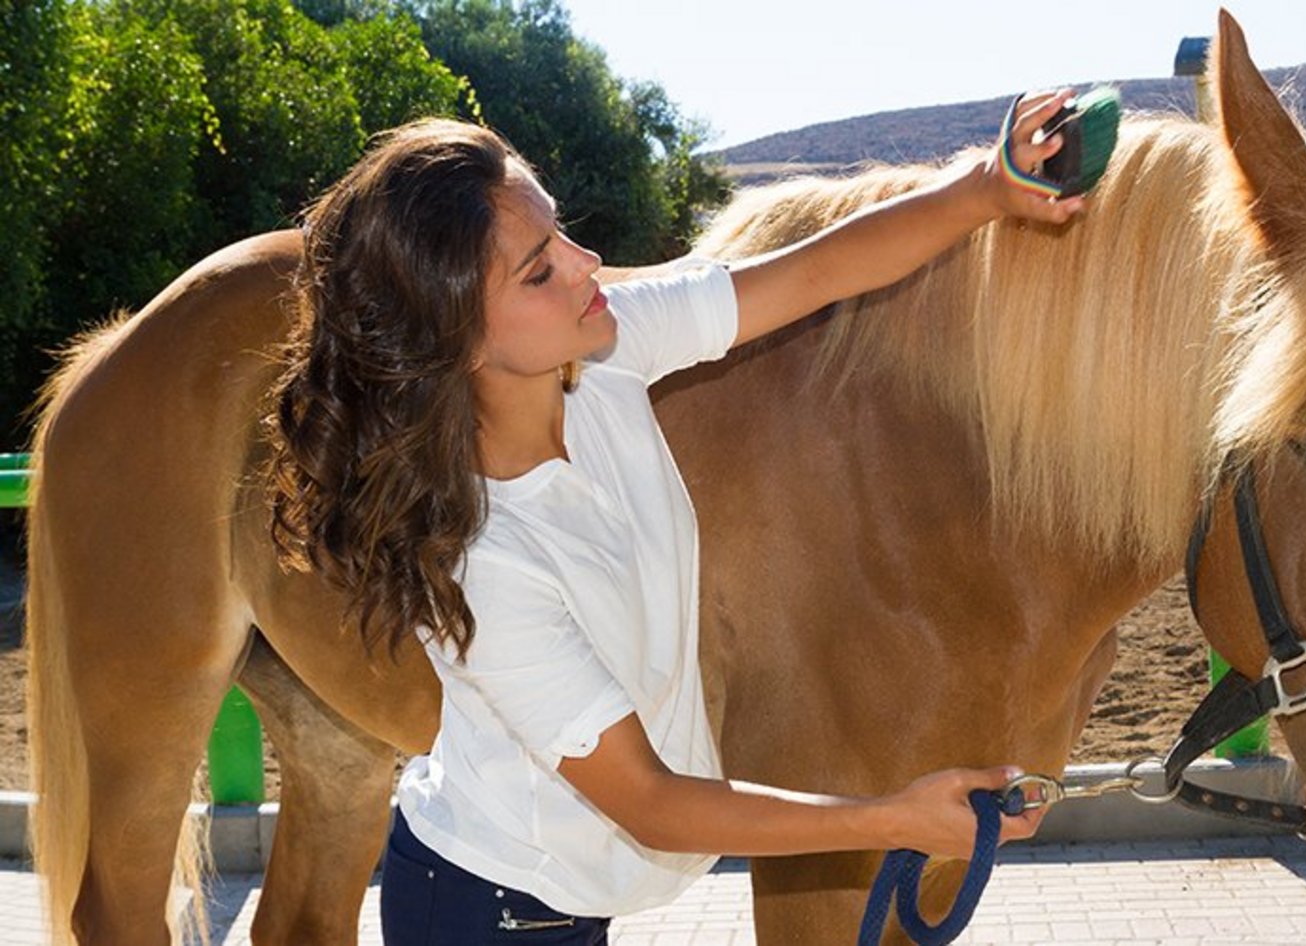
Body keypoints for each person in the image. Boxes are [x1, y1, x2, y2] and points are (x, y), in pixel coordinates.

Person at [264, 91, 1085, 944]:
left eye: (560, 231)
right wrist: (893, 818)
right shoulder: (487, 556)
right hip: (486, 911)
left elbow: (814, 274)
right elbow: (651, 803)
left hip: (552, 898)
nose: (587, 263)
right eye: (539, 271)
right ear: (453, 336)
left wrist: (986, 190)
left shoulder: (608, 353)